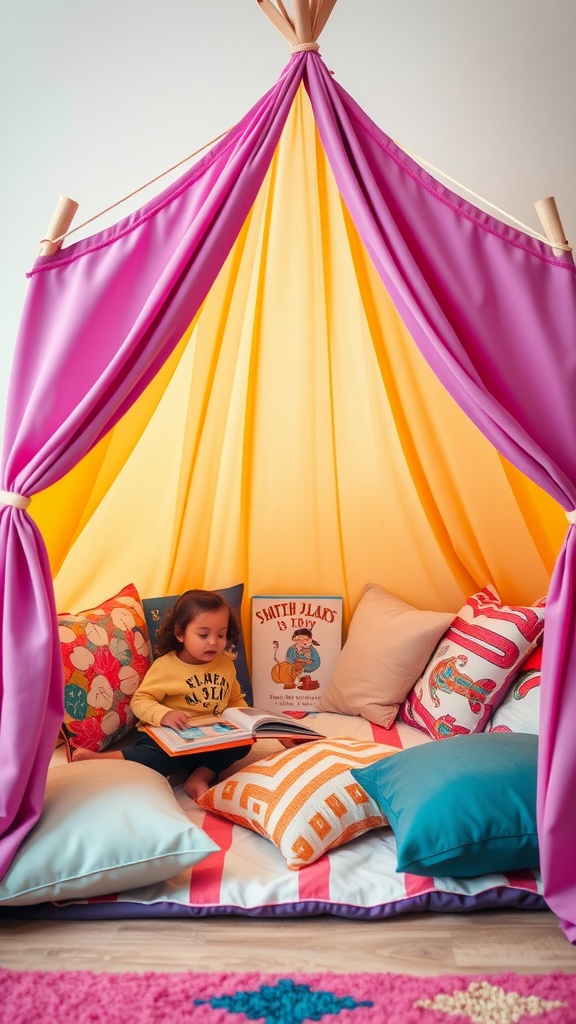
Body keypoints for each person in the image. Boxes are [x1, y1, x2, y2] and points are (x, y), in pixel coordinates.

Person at [72, 589, 252, 799]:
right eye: (203, 634)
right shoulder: (166, 667)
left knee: (242, 745)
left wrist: (249, 724)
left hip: (209, 738)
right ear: (180, 633)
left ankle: (199, 777)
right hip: (170, 736)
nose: (213, 641)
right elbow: (140, 700)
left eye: (221, 634)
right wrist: (164, 715)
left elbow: (235, 700)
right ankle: (104, 758)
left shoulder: (225, 665)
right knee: (160, 759)